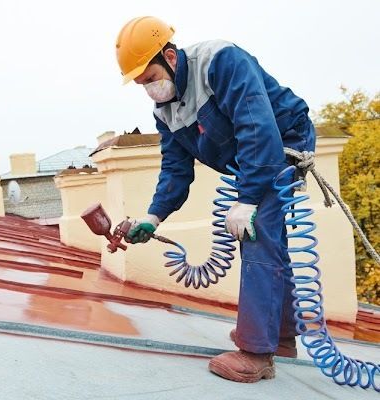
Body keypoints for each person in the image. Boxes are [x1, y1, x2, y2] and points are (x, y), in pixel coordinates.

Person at [115, 16, 316, 383]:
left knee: (255, 232)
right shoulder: (166, 111)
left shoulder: (221, 61)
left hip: (282, 141)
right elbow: (175, 170)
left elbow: (257, 126)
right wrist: (153, 217)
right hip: (250, 154)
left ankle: (256, 354)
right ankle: (282, 337)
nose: (149, 89)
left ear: (171, 58)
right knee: (267, 234)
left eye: (150, 78)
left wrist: (248, 199)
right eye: (141, 84)